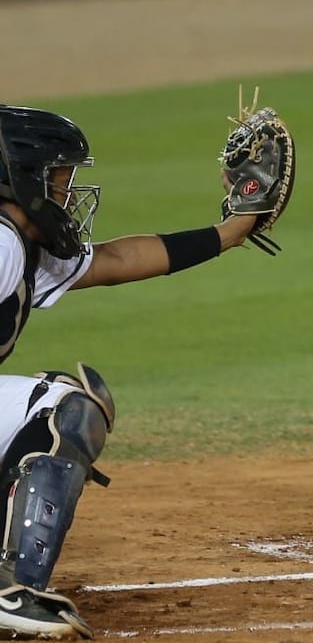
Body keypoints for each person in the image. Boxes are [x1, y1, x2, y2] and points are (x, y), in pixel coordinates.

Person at [0, 104, 259, 638]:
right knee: (65, 412)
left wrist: (232, 230)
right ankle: (9, 589)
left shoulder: (21, 243)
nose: (68, 194)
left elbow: (116, 260)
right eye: (60, 177)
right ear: (20, 178)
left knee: (60, 406)